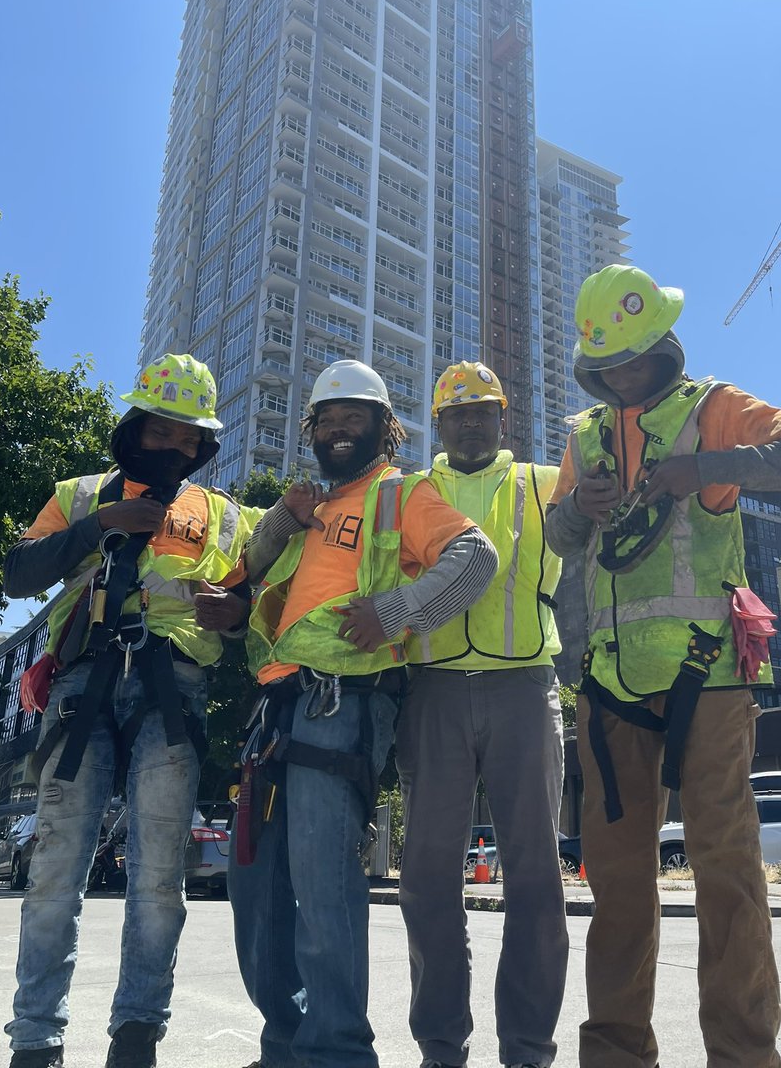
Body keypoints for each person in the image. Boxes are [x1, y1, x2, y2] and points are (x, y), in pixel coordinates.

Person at [544, 265, 781, 1068]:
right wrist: (578, 507)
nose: (621, 374)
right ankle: (615, 1055)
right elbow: (558, 538)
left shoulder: (711, 408)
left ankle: (744, 1056)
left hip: (707, 677)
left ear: (663, 344)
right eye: (607, 362)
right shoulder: (584, 436)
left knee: (727, 871)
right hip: (611, 685)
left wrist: (708, 469)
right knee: (617, 884)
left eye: (633, 357)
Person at [227, 360, 498, 1068]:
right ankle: (286, 1047)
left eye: (356, 417)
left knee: (322, 885)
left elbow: (476, 557)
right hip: (277, 707)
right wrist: (281, 520)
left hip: (342, 703)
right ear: (312, 431)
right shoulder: (308, 508)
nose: (340, 429)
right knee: (258, 890)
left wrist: (396, 611)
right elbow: (243, 575)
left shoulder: (400, 494)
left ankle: (338, 1052)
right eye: (328, 420)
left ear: (384, 428)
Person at [3, 353, 258, 1068]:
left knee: (158, 874)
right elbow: (18, 572)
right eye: (162, 430)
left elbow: (250, 605)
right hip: (81, 684)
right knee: (56, 867)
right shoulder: (80, 494)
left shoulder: (222, 515)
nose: (175, 445)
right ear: (135, 426)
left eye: (189, 436)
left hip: (171, 687)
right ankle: (36, 1038)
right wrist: (100, 525)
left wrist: (237, 611)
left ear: (204, 444)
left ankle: (138, 1032)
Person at [396, 360, 568, 1068]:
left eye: (483, 411)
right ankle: (441, 1046)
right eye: (457, 413)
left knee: (536, 877)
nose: (470, 422)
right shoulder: (407, 493)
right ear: (438, 423)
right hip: (431, 688)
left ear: (505, 417)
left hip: (524, 685)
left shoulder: (544, 483)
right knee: (427, 879)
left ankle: (527, 1049)